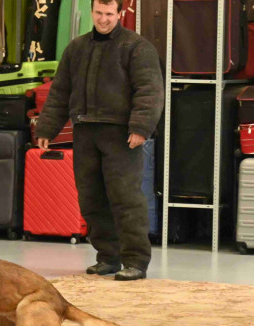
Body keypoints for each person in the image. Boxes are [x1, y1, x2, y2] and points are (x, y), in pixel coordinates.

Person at [35, 0, 163, 281]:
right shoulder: (77, 48)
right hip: (85, 132)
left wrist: (140, 127)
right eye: (98, 13)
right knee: (91, 199)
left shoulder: (137, 47)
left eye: (109, 14)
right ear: (91, 12)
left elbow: (150, 90)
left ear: (119, 14)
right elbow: (60, 92)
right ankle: (108, 257)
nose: (103, 19)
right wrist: (46, 130)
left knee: (125, 199)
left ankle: (136, 262)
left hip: (121, 135)